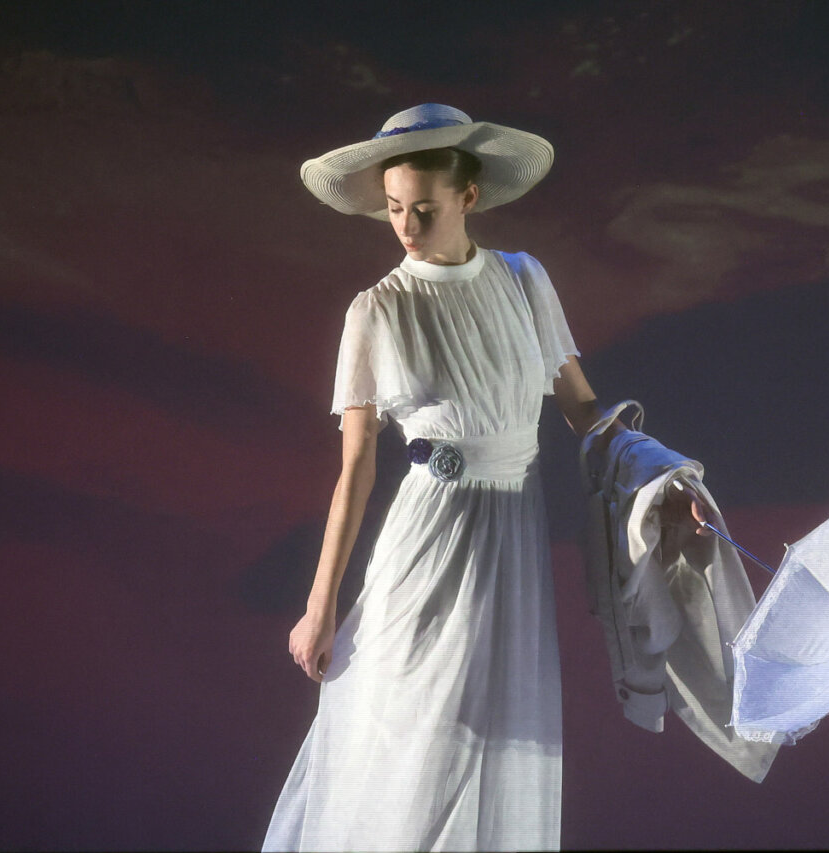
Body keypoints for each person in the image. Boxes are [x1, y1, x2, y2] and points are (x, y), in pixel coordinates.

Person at [262, 104, 705, 852]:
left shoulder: (524, 282)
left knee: (498, 734)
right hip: (428, 540)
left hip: (510, 540)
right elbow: (357, 465)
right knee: (405, 733)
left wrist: (662, 484)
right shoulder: (376, 309)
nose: (405, 226)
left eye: (424, 210)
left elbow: (585, 411)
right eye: (395, 209)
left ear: (469, 197)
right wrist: (319, 604)